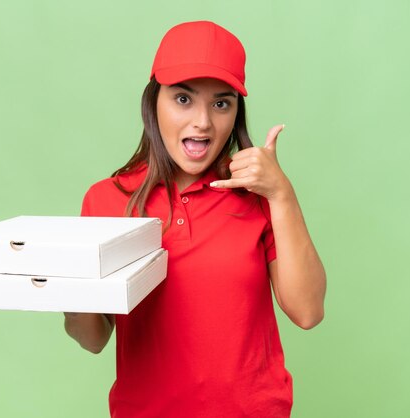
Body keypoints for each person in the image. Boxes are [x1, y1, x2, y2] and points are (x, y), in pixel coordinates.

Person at [64, 20, 326, 418]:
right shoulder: (107, 200)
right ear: (154, 101)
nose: (203, 121)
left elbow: (307, 311)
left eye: (221, 103)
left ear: (237, 112)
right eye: (183, 99)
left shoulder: (259, 197)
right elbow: (93, 339)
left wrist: (281, 193)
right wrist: (66, 284)